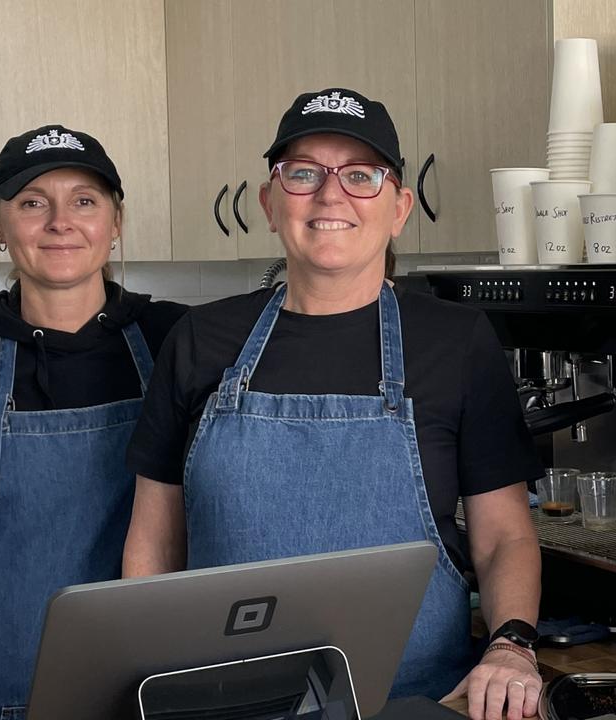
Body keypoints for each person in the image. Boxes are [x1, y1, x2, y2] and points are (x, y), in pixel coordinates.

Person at [123, 88, 546, 719]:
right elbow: (155, 541)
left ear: (401, 206)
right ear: (269, 202)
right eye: (303, 174)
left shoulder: (455, 342)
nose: (330, 195)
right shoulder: (200, 339)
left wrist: (512, 646)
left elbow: (504, 537)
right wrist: (145, 677)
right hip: (219, 700)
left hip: (414, 699)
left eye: (361, 176)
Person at [0, 125, 188, 719]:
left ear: (115, 223)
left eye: (84, 201)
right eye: (31, 203)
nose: (60, 222)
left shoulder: (178, 339)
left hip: (154, 672)